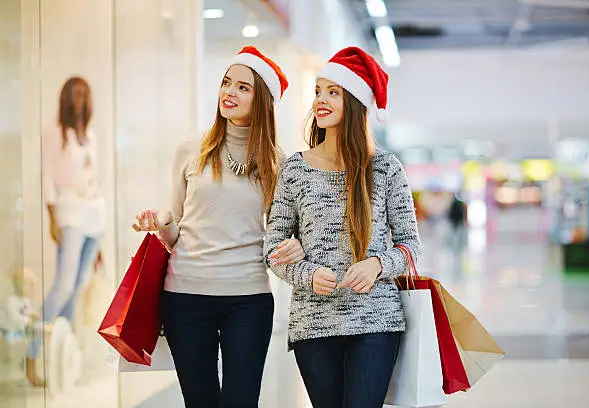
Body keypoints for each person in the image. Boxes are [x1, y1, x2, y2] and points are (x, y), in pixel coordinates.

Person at [132, 46, 304, 408]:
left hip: (249, 299)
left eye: (244, 87)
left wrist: (297, 246)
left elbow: (280, 234)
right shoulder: (189, 149)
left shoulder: (276, 161)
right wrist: (164, 223)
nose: (230, 92)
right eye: (227, 83)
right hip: (186, 297)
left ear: (262, 100)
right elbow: (175, 230)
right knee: (201, 402)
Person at [264, 47, 423, 408]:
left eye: (333, 92)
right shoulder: (295, 169)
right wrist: (305, 273)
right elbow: (272, 245)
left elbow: (412, 246)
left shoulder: (385, 168)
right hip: (313, 324)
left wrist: (378, 264)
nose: (320, 100)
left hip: (376, 322)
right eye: (318, 90)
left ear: (354, 101)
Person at [26, 76, 105, 387]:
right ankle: (31, 355)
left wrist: (99, 243)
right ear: (65, 98)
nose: (79, 100)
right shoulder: (54, 133)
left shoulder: (91, 136)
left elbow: (94, 179)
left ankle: (65, 361)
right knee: (63, 286)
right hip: (70, 213)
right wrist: (51, 218)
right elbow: (47, 177)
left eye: (84, 95)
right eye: (75, 95)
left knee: (79, 285)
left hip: (94, 215)